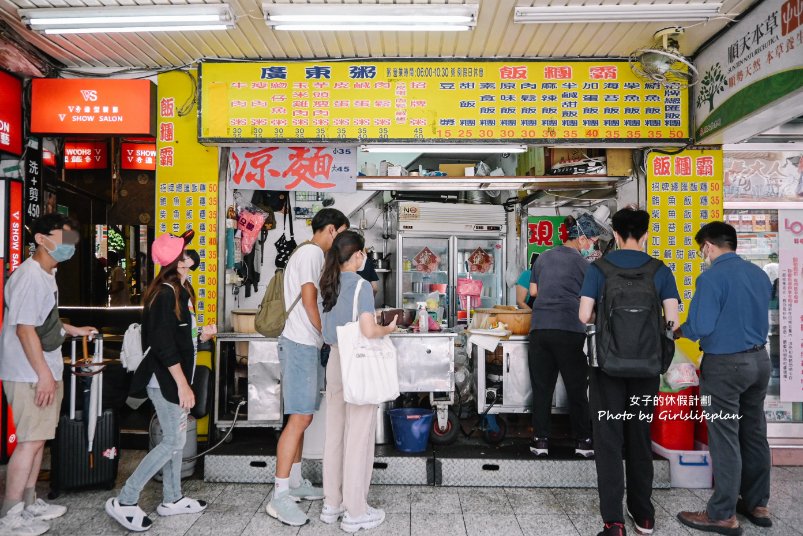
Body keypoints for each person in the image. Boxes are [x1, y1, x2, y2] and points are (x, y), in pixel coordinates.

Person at [578, 208, 680, 536]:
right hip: (647, 368)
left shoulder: (599, 269)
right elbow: (673, 322)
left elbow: (583, 316)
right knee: (639, 438)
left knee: (608, 441)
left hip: (607, 367)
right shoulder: (660, 270)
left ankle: (614, 522)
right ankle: (644, 516)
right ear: (646, 235)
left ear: (616, 235)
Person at [106, 230, 215, 532]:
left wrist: (200, 334)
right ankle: (126, 499)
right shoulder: (165, 294)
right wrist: (183, 385)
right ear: (180, 262)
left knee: (176, 439)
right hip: (166, 380)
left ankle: (172, 498)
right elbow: (163, 345)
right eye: (186, 252)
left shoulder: (179, 289)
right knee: (173, 440)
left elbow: (179, 336)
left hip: (176, 378)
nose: (192, 256)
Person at [0, 213, 96, 536]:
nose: (70, 244)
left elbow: (46, 322)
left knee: (38, 441)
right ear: (41, 239)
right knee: (28, 443)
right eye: (64, 236)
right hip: (29, 374)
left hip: (43, 370)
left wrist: (74, 329)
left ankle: (28, 503)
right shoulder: (28, 277)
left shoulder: (47, 275)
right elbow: (25, 330)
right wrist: (42, 374)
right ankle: (10, 514)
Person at [675, 221, 773, 536]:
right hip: (759, 361)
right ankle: (757, 504)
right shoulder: (759, 275)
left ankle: (722, 514)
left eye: (700, 249)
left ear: (707, 246)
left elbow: (700, 325)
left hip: (725, 366)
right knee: (754, 432)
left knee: (725, 436)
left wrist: (679, 330)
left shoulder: (712, 277)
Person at [267, 208, 350, 527]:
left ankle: (297, 481)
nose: (340, 238)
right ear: (331, 230)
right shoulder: (313, 254)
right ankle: (280, 495)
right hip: (301, 344)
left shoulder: (309, 253)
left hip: (304, 344)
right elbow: (309, 298)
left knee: (301, 415)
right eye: (341, 232)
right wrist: (325, 333)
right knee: (299, 418)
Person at [320, 231, 396, 533]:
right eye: (362, 252)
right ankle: (355, 511)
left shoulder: (328, 282)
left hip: (335, 360)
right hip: (358, 362)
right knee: (359, 437)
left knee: (335, 434)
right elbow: (367, 329)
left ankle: (332, 504)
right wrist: (387, 327)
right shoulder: (361, 285)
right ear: (357, 255)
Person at [528, 213, 602, 458]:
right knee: (577, 388)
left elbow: (533, 291)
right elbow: (589, 302)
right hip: (570, 330)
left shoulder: (543, 258)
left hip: (540, 329)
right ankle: (583, 441)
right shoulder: (585, 265)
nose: (592, 246)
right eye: (591, 241)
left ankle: (540, 442)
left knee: (542, 388)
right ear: (581, 238)